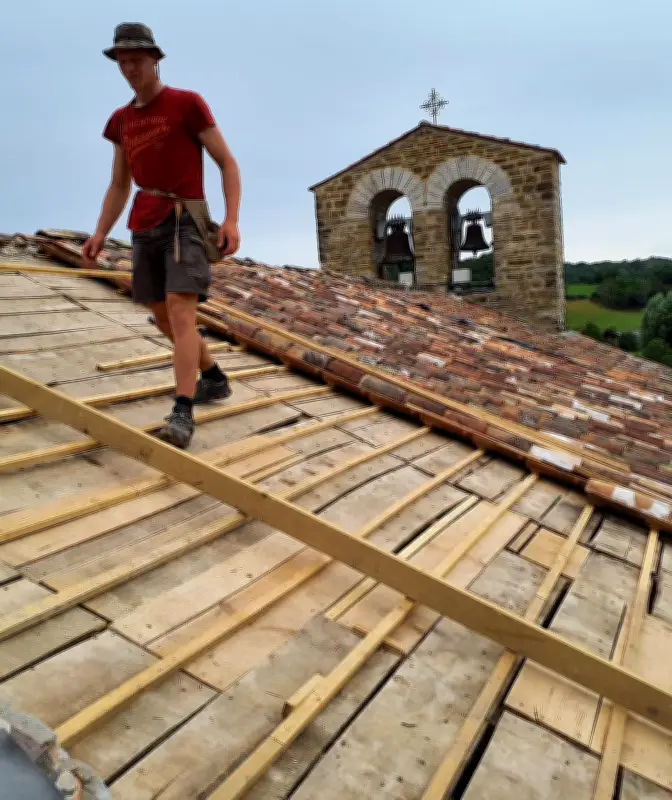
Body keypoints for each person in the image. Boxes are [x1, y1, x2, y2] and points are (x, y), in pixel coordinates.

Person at [83, 23, 242, 449]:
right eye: (122, 60)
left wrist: (230, 221)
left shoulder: (186, 104)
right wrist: (100, 232)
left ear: (155, 59)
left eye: (136, 58)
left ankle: (183, 410)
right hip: (143, 221)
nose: (129, 66)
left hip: (185, 219)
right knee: (162, 315)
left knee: (181, 310)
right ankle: (212, 377)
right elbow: (119, 184)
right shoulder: (120, 121)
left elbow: (227, 162)